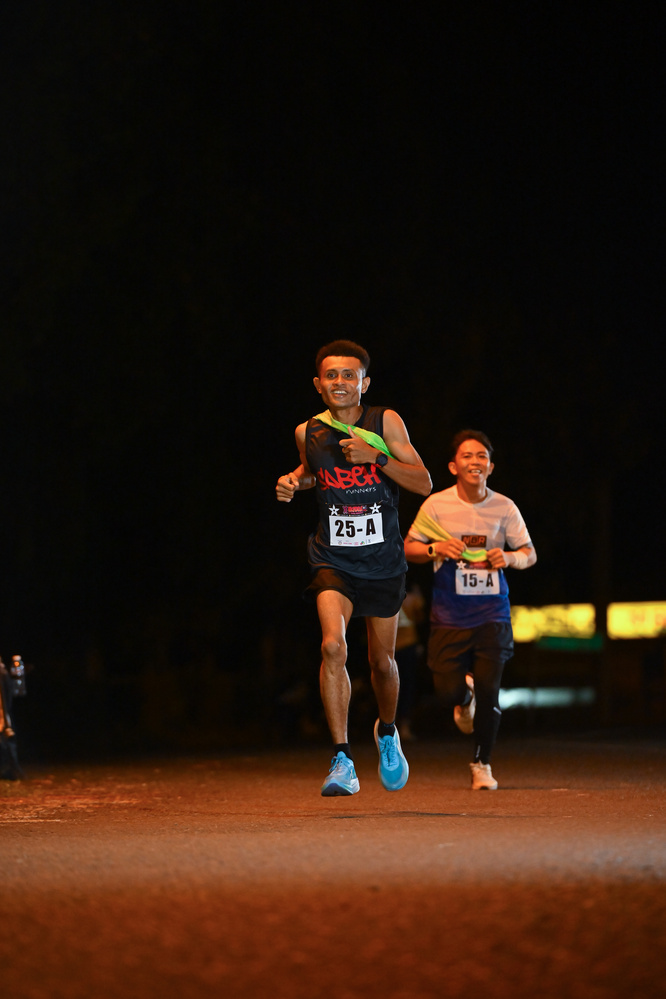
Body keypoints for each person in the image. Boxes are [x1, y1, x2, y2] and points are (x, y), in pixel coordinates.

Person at [276, 340, 432, 796]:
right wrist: (294, 481)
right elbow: (312, 471)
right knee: (332, 646)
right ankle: (342, 759)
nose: (340, 382)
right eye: (331, 375)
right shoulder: (308, 430)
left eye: (349, 375)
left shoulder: (385, 422)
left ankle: (388, 732)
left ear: (364, 383)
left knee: (382, 662)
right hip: (333, 558)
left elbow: (423, 481)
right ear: (318, 384)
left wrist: (376, 457)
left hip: (383, 560)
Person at [404, 430, 536, 790]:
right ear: (453, 466)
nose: (475, 462)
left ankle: (482, 764)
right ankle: (465, 698)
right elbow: (409, 547)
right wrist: (435, 549)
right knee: (447, 693)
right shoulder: (436, 506)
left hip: (493, 614)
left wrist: (508, 557)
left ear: (490, 467)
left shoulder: (504, 507)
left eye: (482, 457)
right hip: (449, 617)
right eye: (467, 456)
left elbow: (529, 553)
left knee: (491, 690)